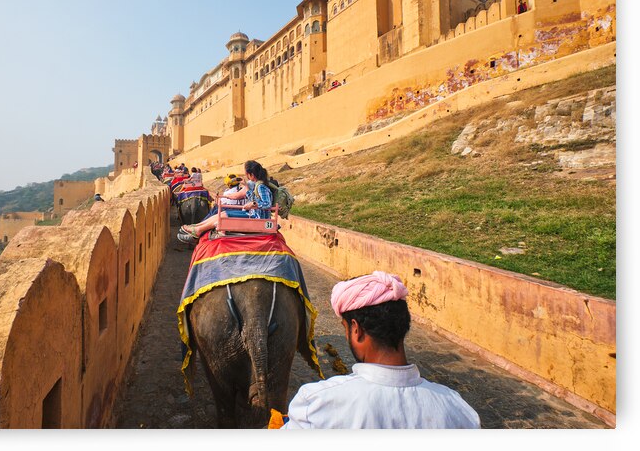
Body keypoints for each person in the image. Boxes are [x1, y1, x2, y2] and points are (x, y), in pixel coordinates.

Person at [280, 271, 481, 429]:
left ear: (356, 330)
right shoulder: (459, 410)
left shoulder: (316, 404)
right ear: (403, 325)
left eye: (345, 328)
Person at [178, 160, 273, 242]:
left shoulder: (261, 186)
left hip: (256, 217)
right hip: (253, 214)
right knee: (222, 214)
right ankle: (197, 227)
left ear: (251, 175)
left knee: (224, 215)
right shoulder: (256, 185)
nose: (246, 176)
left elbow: (267, 203)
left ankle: (198, 230)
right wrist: (247, 188)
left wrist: (253, 204)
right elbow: (253, 198)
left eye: (246, 174)